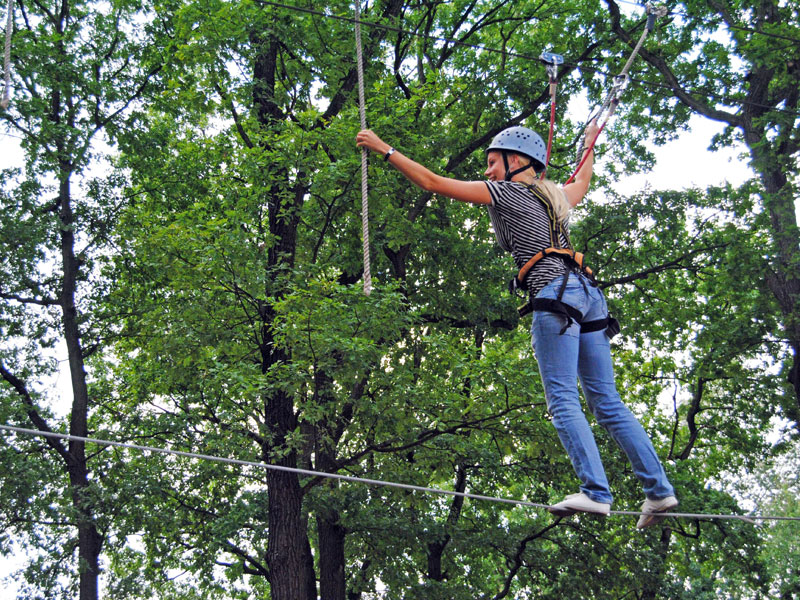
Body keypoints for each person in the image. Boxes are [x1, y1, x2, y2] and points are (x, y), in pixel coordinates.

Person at [356, 122, 678, 528]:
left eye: (492, 163)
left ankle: (597, 493)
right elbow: (582, 182)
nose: (488, 171)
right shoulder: (553, 198)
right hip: (589, 296)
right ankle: (659, 491)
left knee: (562, 398)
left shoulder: (506, 191)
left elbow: (432, 182)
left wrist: (384, 147)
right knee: (605, 401)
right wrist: (589, 145)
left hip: (555, 295)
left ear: (517, 162)